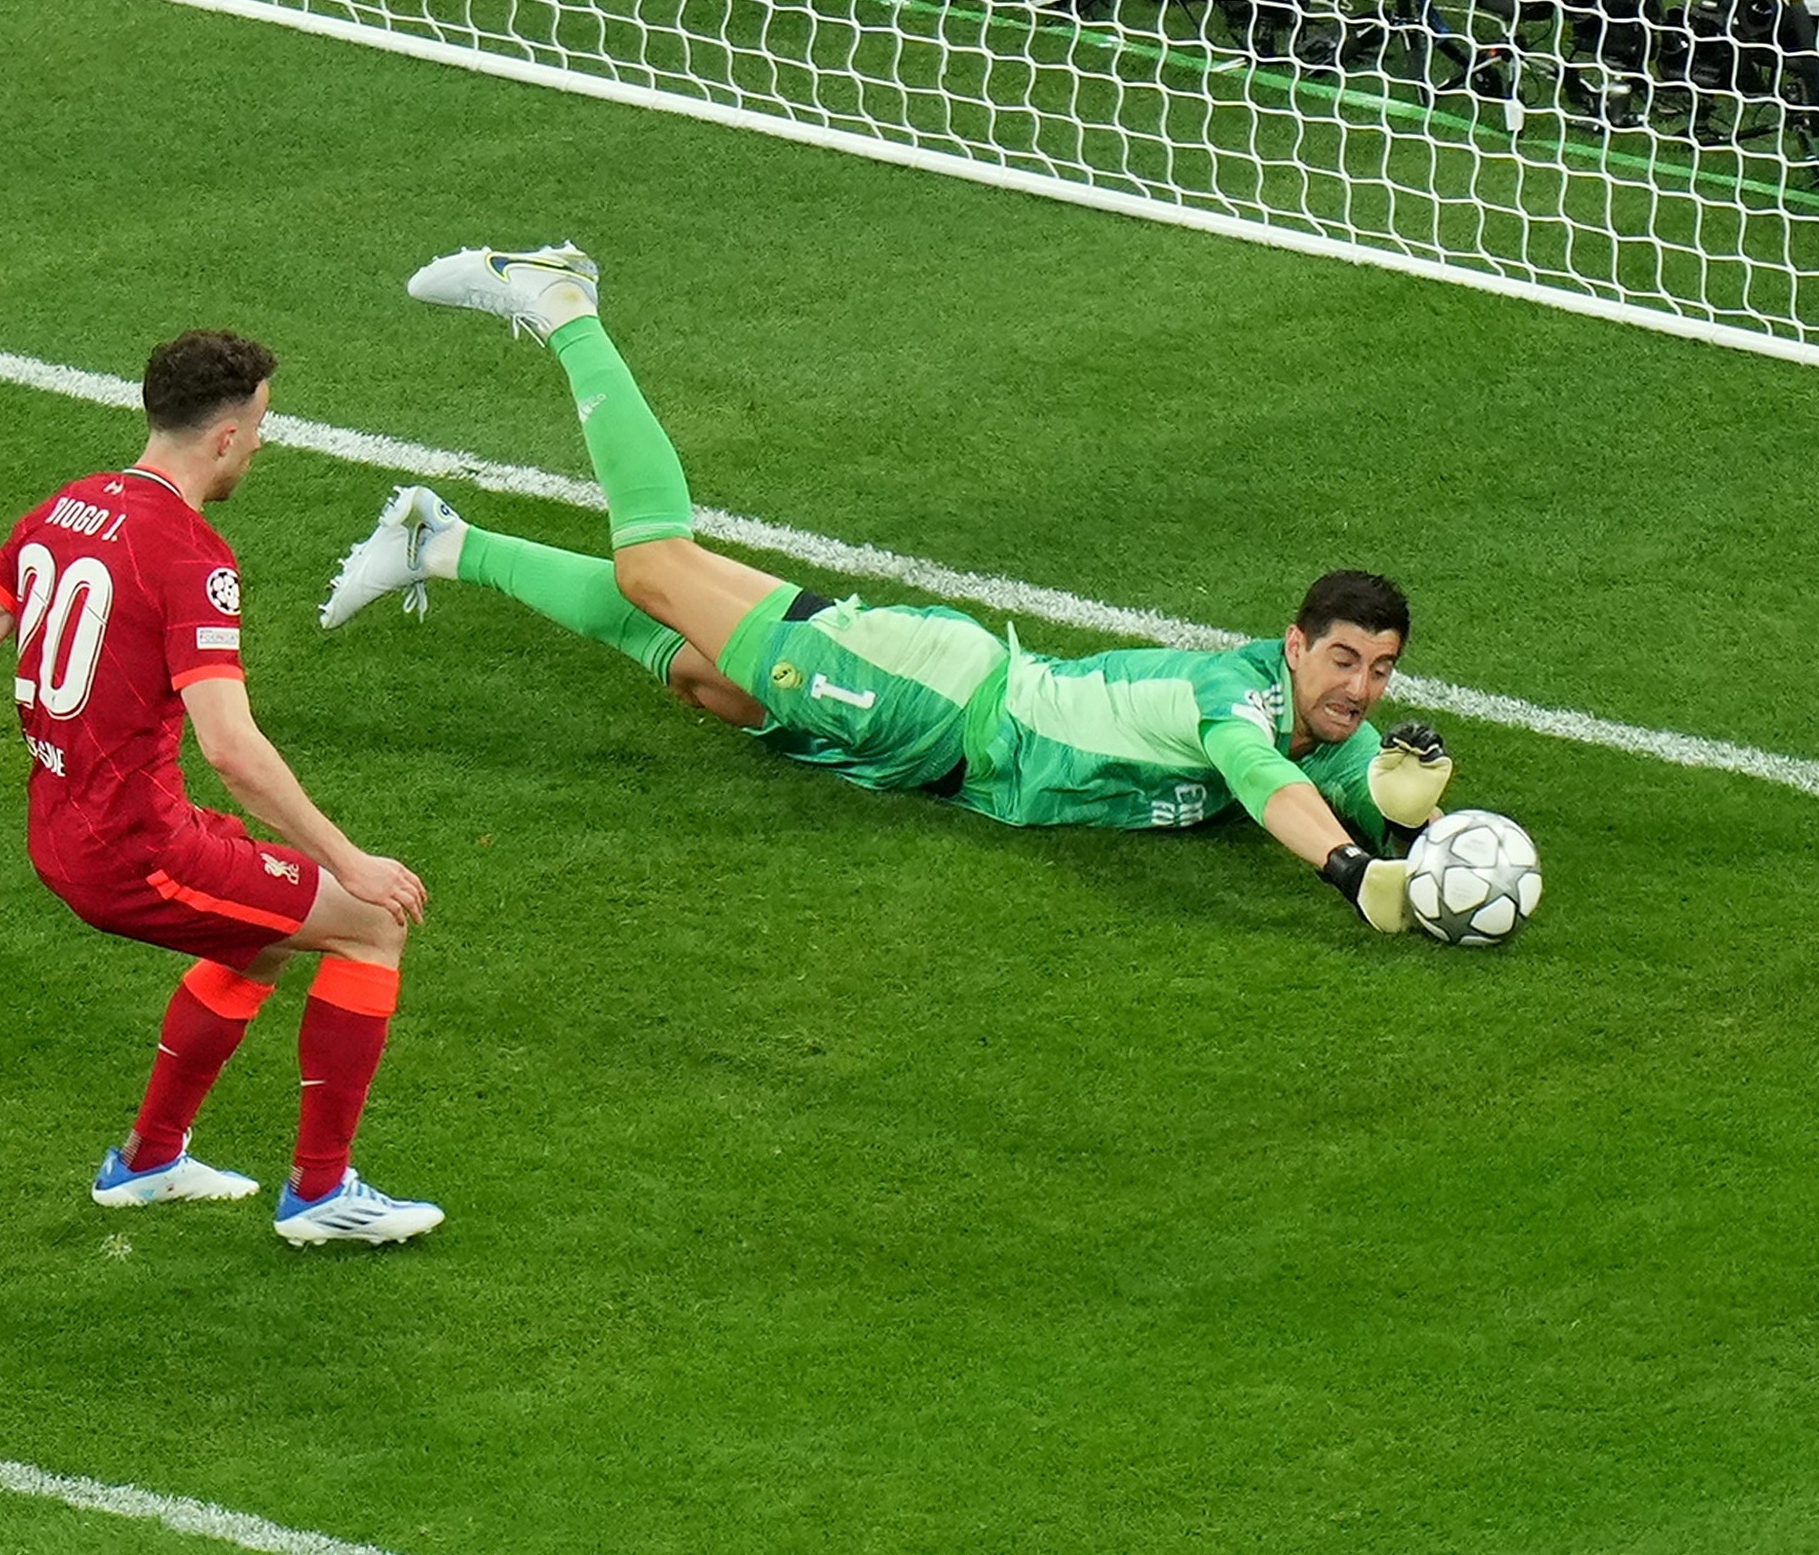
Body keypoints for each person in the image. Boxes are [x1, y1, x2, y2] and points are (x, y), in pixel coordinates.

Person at [322, 245, 1452, 933]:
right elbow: (1267, 788)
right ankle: (565, 304)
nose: (1359, 687)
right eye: (1344, 660)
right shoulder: (1240, 701)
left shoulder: (1323, 730)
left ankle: (440, 541)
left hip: (934, 752)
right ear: (1293, 645)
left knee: (710, 686)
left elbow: (1360, 785)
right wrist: (1351, 872)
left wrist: (1422, 823)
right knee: (655, 568)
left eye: (1380, 669)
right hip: (930, 697)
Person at [1, 329, 443, 1245]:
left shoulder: (62, 509)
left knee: (266, 937)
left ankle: (151, 1161)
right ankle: (321, 1194)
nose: (264, 440)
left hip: (70, 825)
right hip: (135, 850)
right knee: (370, 924)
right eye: (262, 423)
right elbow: (232, 749)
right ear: (225, 436)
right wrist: (351, 859)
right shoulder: (192, 555)